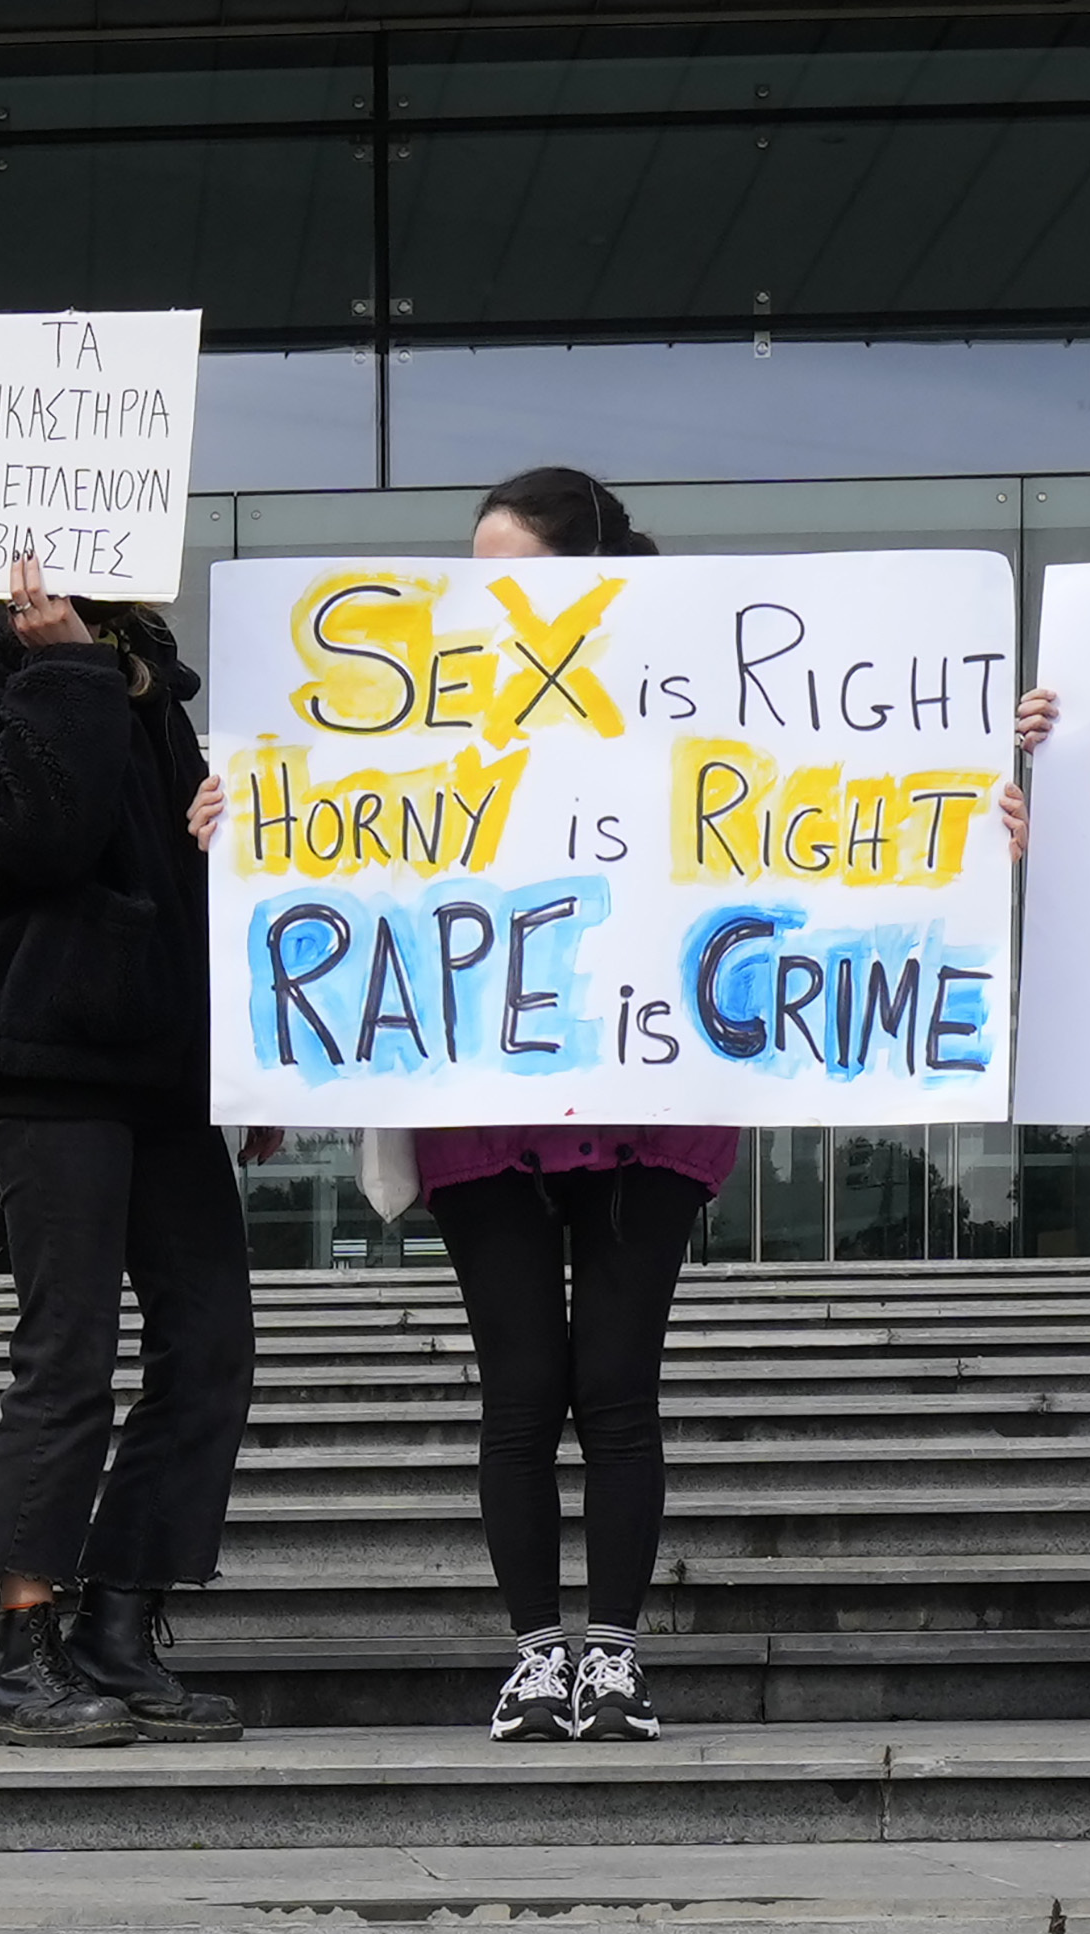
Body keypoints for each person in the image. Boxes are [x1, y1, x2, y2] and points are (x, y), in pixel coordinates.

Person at [373, 465, 733, 1744]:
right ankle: (537, 1655)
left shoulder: (685, 689)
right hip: (487, 1100)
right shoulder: (428, 700)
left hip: (648, 1095)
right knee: (521, 1385)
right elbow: (347, 828)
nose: (482, 596)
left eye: (507, 570)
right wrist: (240, 823)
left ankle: (616, 1655)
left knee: (617, 1383)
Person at [0, 544, 251, 1746]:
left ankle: (118, 1623)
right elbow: (31, 840)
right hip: (46, 1054)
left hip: (160, 1065)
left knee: (210, 1343)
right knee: (69, 1352)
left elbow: (177, 886)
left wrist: (239, 1060)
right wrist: (59, 670)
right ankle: (25, 1643)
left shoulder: (153, 683)